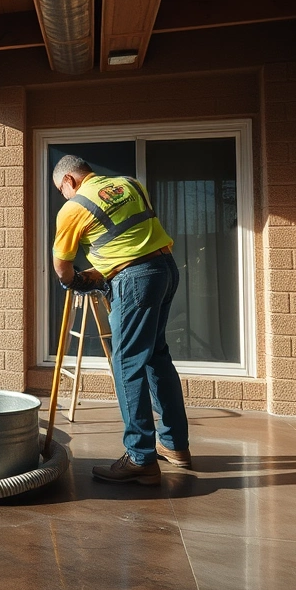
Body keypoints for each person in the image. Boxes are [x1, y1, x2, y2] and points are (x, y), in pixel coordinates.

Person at [52, 155, 190, 485]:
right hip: (165, 270)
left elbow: (62, 267)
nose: (64, 196)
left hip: (135, 281)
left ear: (69, 180)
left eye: (61, 190)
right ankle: (174, 445)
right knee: (156, 355)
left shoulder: (73, 208)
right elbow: (129, 240)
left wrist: (74, 281)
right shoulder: (130, 184)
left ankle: (141, 458)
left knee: (127, 364)